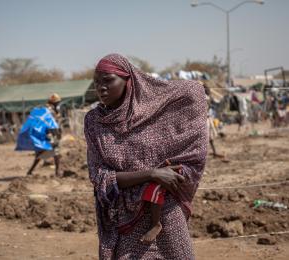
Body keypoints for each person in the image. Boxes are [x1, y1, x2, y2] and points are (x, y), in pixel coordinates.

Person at [84, 54, 208, 259]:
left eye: (108, 81)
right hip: (124, 219)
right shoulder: (95, 122)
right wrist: (152, 174)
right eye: (97, 82)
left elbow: (193, 91)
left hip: (164, 211)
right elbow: (99, 176)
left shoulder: (155, 115)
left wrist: (168, 174)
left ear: (129, 80)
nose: (101, 88)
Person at [16, 93, 62, 177]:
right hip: (48, 134)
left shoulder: (49, 109)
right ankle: (57, 172)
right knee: (55, 152)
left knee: (43, 153)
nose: (58, 104)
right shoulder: (49, 110)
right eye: (57, 102)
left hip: (45, 134)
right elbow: (49, 123)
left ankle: (30, 171)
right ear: (54, 103)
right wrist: (56, 133)